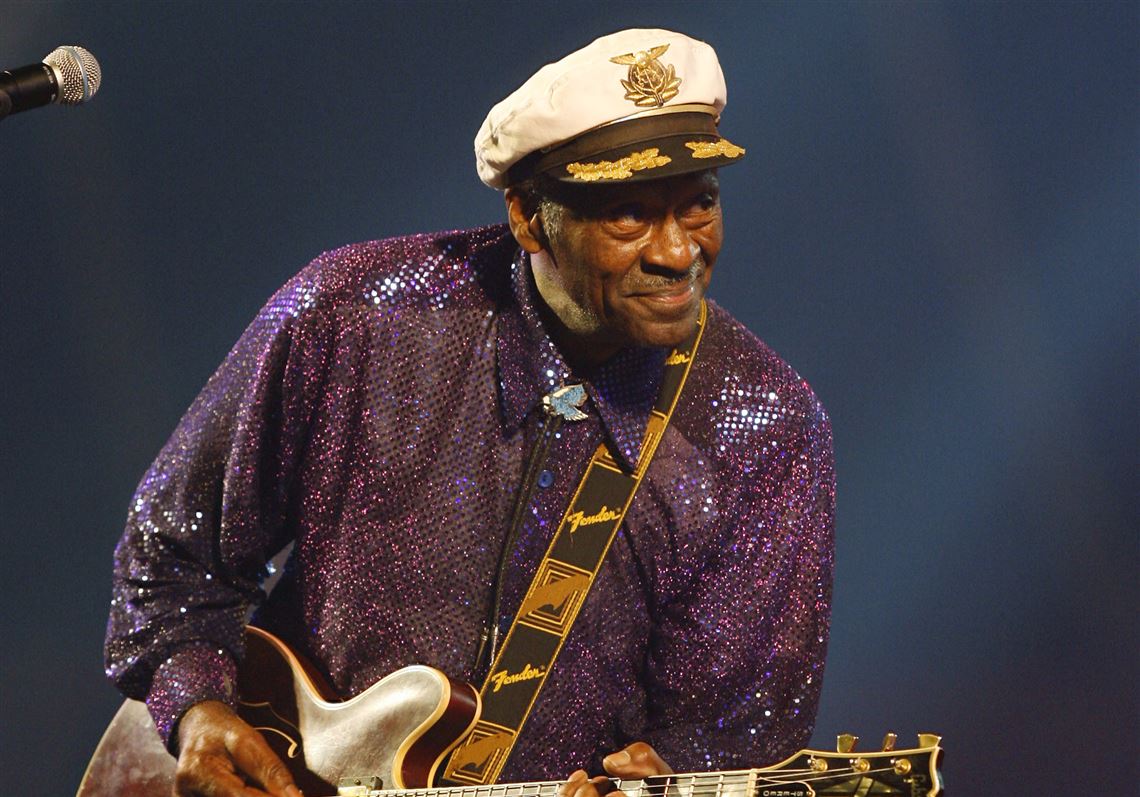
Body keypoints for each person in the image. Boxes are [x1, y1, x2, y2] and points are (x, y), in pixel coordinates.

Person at [104, 28, 835, 797]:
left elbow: (734, 733)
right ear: (528, 217)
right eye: (628, 213)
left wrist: (669, 779)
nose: (679, 252)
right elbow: (173, 554)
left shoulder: (766, 423)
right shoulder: (352, 319)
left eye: (700, 205)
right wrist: (195, 708)